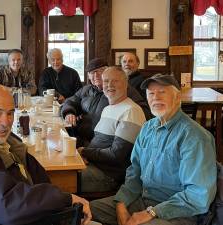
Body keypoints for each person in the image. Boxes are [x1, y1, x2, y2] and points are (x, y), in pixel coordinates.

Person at [0, 84, 92, 225]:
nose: (6, 122)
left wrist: (61, 204)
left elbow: (39, 179)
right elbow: (7, 206)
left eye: (10, 113)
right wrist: (66, 199)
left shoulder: (9, 142)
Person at [90, 74, 217, 225]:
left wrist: (152, 212)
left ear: (177, 98)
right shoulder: (147, 128)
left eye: (162, 92)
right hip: (141, 200)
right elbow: (134, 171)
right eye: (151, 93)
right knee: (86, 210)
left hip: (177, 212)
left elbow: (198, 196)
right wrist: (121, 203)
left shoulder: (195, 136)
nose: (156, 97)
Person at [78, 67, 146, 193]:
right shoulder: (108, 109)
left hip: (108, 176)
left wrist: (84, 152)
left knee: (56, 180)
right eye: (106, 81)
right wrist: (85, 156)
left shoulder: (131, 111)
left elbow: (117, 155)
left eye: (115, 81)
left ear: (126, 84)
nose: (109, 85)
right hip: (93, 165)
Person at [61, 58, 150, 147]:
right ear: (88, 76)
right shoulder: (86, 90)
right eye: (92, 72)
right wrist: (69, 112)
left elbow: (142, 112)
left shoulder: (121, 89)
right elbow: (70, 101)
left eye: (100, 71)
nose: (96, 75)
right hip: (81, 139)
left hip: (104, 144)